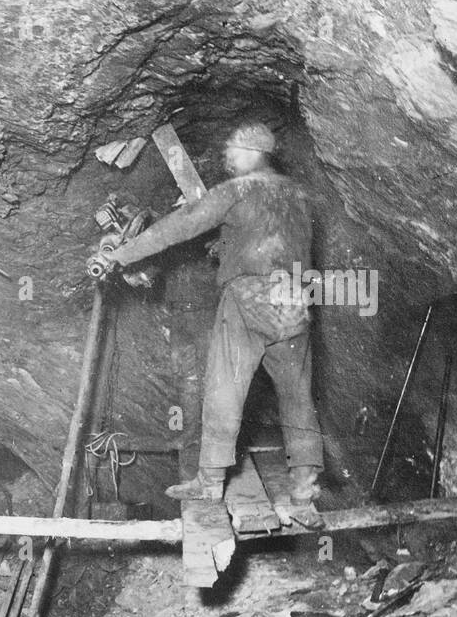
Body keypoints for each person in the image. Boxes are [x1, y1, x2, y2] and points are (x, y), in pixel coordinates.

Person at [89, 121, 324, 522]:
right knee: (298, 397)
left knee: (224, 387)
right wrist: (229, 246)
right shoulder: (298, 194)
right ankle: (305, 493)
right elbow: (276, 240)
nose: (227, 157)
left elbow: (180, 226)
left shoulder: (237, 190)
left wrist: (119, 255)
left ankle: (210, 480)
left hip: (249, 297)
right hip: (295, 301)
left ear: (254, 153)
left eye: (234, 150)